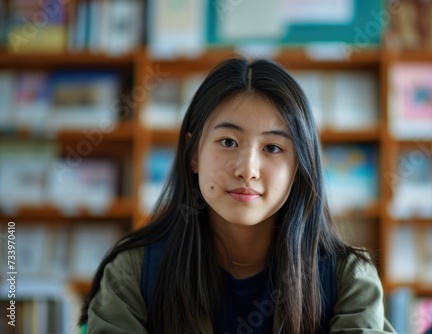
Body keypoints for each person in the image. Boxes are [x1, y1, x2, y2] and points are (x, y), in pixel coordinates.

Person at [79, 57, 396, 334]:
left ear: (299, 167)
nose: (248, 169)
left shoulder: (348, 279)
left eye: (272, 148)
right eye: (228, 142)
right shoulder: (132, 274)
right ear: (194, 155)